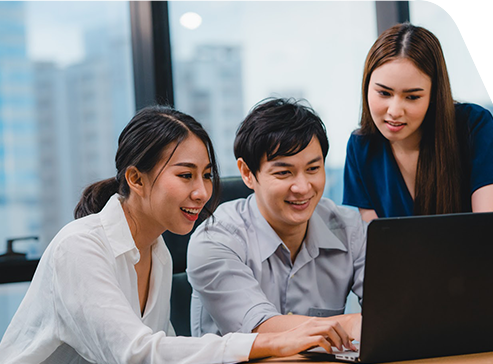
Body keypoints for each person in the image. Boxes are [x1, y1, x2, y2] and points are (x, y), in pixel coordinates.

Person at [0, 106, 354, 364]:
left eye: (207, 175)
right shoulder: (79, 247)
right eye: (185, 176)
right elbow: (136, 353)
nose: (202, 192)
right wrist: (269, 344)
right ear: (136, 179)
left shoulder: (157, 250)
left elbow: (163, 347)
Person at [187, 98, 364, 349]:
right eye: (284, 173)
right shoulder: (215, 239)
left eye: (313, 169)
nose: (303, 188)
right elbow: (261, 328)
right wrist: (354, 324)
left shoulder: (350, 229)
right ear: (248, 173)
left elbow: (392, 311)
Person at [343, 23, 493, 221]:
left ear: (434, 94)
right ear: (366, 86)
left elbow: (490, 231)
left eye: (412, 97)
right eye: (384, 93)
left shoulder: (473, 126)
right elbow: (378, 243)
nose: (395, 111)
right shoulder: (361, 148)